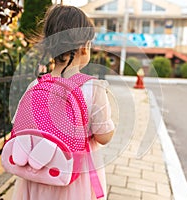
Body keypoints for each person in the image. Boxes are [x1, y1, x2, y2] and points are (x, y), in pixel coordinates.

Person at [11, 4, 115, 200]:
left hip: (37, 174)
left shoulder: (36, 84)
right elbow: (103, 137)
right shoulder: (94, 89)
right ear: (84, 47)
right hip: (73, 178)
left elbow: (19, 126)